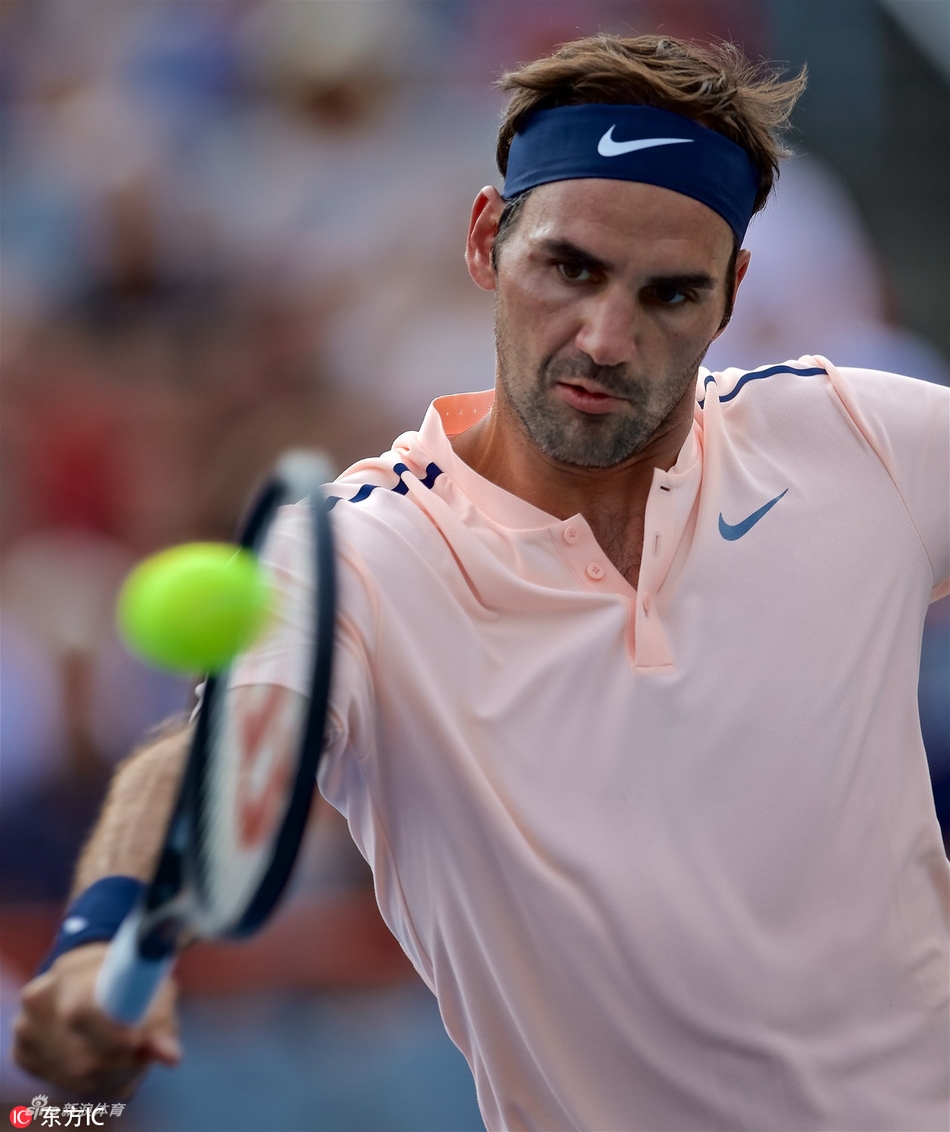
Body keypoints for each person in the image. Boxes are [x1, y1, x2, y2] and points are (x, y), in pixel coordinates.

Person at [14, 34, 950, 1132]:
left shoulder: (861, 438)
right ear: (483, 240)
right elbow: (199, 765)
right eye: (570, 268)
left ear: (731, 294)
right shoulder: (354, 556)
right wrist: (100, 938)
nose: (606, 337)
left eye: (669, 294)